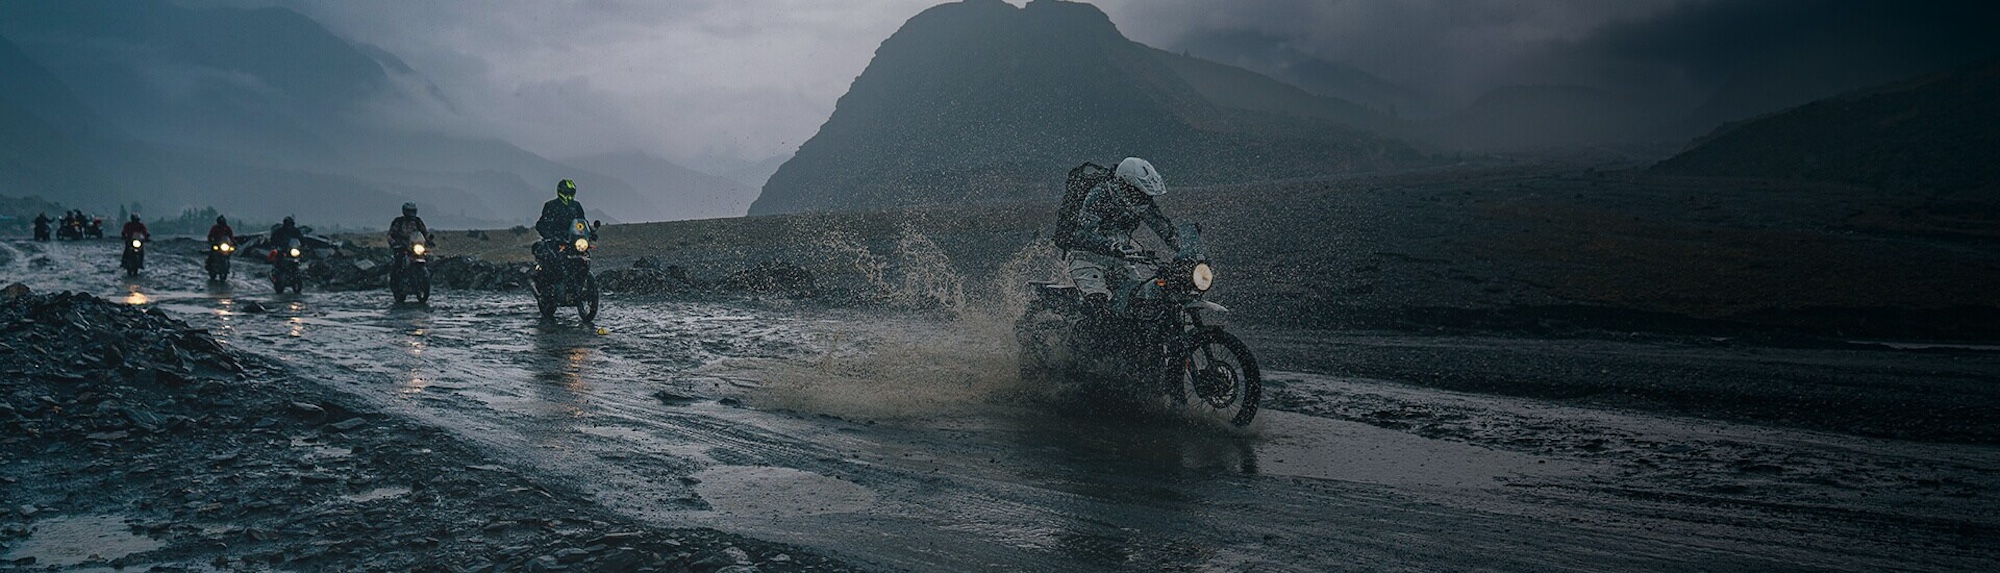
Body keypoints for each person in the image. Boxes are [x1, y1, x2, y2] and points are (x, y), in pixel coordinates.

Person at [1062, 157, 1179, 319]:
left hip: (1120, 263)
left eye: (1146, 196)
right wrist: (1112, 246)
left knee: (1141, 301)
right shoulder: (1099, 195)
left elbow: (1164, 229)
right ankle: (1081, 339)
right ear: (1125, 185)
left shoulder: (1141, 203)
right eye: (1140, 194)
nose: (1144, 199)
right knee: (1100, 312)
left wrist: (1185, 248)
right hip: (1088, 261)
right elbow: (1082, 234)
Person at [533, 179, 587, 269]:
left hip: (573, 239)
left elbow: (582, 221)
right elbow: (542, 224)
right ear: (561, 191)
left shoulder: (576, 206)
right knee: (552, 258)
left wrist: (591, 232)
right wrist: (550, 236)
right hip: (556, 239)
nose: (569, 194)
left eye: (571, 192)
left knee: (585, 253)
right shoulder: (551, 205)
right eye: (567, 192)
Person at [388, 202, 434, 270]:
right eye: (409, 211)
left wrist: (429, 240)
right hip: (401, 246)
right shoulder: (399, 221)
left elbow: (424, 232)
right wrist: (393, 242)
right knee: (398, 263)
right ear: (405, 211)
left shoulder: (417, 221)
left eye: (413, 211)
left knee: (428, 258)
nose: (411, 213)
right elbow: (390, 234)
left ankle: (428, 275)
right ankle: (395, 279)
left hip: (414, 245)